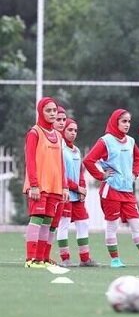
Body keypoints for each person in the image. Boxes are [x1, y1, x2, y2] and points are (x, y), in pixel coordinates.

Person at [83, 109, 139, 268]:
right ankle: (115, 260)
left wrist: (135, 173)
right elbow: (88, 160)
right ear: (115, 122)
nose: (127, 125)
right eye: (123, 121)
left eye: (129, 121)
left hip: (127, 191)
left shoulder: (130, 141)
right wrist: (101, 175)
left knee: (137, 225)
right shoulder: (106, 141)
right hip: (111, 190)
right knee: (112, 225)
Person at [23, 97, 69, 268]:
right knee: (36, 220)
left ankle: (41, 259)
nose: (52, 114)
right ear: (41, 112)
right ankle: (30, 259)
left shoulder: (58, 135)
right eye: (48, 110)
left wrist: (64, 186)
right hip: (39, 187)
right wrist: (34, 185)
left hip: (55, 187)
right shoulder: (34, 133)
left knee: (48, 222)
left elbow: (60, 163)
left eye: (54, 111)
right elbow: (30, 161)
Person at [56, 118, 99, 267]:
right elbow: (60, 174)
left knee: (83, 223)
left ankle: (85, 259)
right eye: (70, 130)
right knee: (64, 224)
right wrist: (75, 187)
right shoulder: (60, 149)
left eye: (75, 130)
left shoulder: (77, 150)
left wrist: (82, 188)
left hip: (77, 195)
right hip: (65, 193)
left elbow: (80, 172)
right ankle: (65, 258)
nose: (73, 133)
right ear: (63, 131)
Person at [42, 105, 68, 265]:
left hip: (62, 189)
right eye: (58, 119)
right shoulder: (46, 137)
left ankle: (45, 255)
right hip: (49, 186)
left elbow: (64, 168)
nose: (61, 122)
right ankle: (36, 256)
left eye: (63, 119)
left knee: (53, 224)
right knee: (43, 222)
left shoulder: (63, 140)